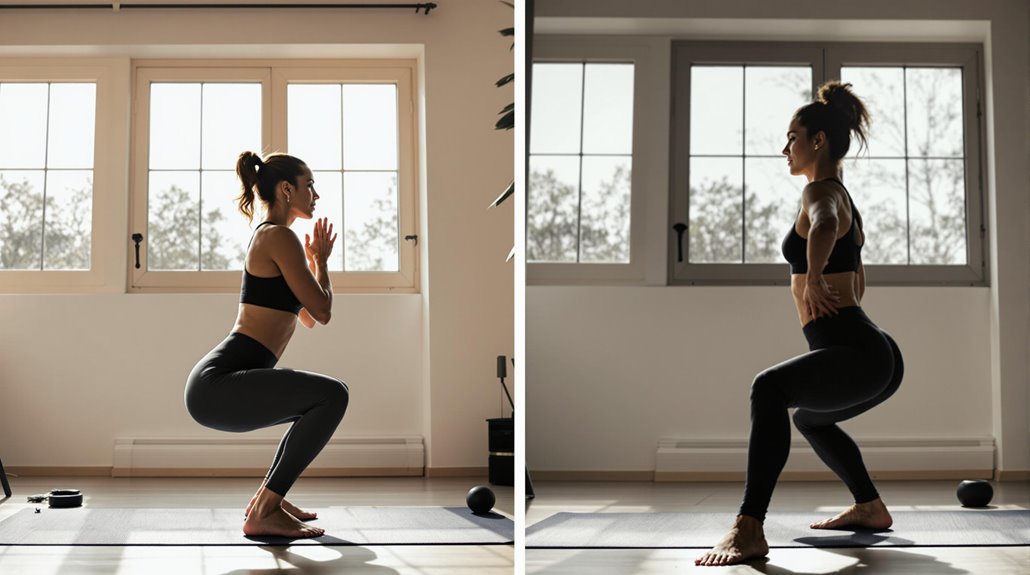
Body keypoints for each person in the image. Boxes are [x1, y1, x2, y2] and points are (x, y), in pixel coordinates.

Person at [696, 81, 904, 566]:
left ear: (818, 140)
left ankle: (749, 526)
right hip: (876, 353)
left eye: (792, 137)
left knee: (767, 388)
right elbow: (857, 277)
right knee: (810, 417)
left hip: (859, 351)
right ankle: (870, 506)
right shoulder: (843, 196)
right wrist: (824, 285)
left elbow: (825, 224)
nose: (785, 148)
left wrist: (811, 278)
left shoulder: (821, 191)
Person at [185, 151, 347, 539]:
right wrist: (323, 263)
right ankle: (264, 510)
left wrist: (312, 264)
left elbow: (307, 317)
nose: (316, 195)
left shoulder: (275, 238)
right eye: (310, 185)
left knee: (319, 401)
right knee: (333, 396)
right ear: (287, 189)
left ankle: (268, 500)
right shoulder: (278, 236)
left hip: (222, 382)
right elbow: (323, 311)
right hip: (218, 383)